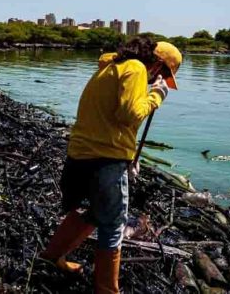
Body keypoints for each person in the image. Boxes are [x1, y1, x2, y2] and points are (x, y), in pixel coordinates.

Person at [40, 37, 181, 293]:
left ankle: (51, 258)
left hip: (80, 155)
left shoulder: (109, 67)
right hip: (105, 160)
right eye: (162, 74)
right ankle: (107, 290)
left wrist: (129, 157)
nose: (156, 79)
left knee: (89, 214)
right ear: (157, 64)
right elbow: (128, 115)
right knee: (114, 224)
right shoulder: (137, 68)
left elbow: (112, 118)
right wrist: (156, 97)